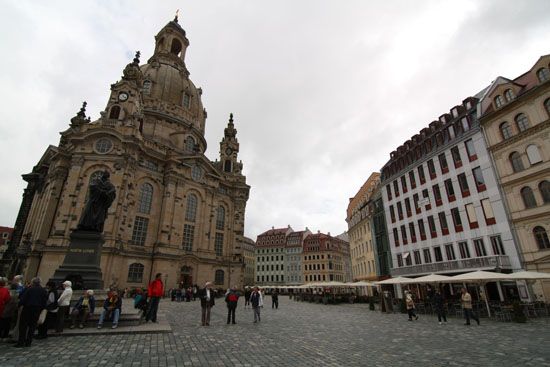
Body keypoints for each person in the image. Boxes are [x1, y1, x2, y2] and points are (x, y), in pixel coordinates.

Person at [15, 277, 47, 347]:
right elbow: (44, 302)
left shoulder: (29, 289)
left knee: (23, 326)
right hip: (37, 310)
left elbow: (23, 299)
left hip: (27, 309)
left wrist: (19, 305)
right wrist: (41, 309)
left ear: (32, 282)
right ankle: (28, 342)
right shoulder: (43, 290)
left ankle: (21, 342)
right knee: (32, 326)